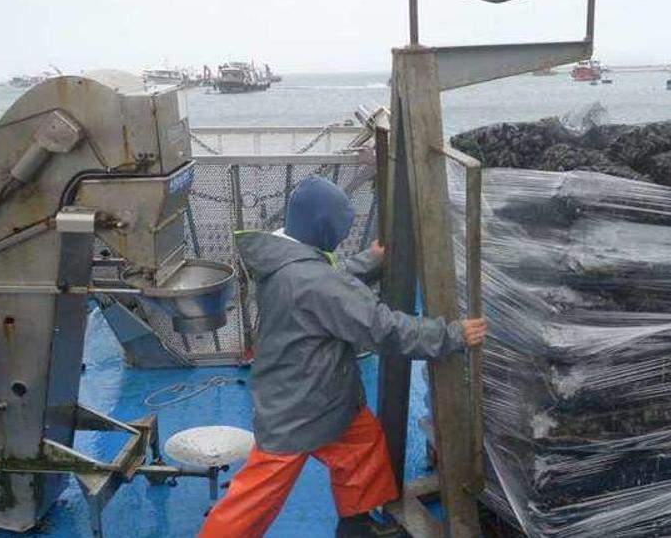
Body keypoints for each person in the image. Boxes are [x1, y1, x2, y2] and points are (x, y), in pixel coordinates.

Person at [199, 177, 487, 538]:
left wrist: (370, 260)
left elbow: (330, 279)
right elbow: (382, 329)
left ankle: (356, 527)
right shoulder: (316, 281)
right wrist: (452, 335)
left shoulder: (286, 258)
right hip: (298, 408)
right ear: (324, 228)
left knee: (363, 445)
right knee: (256, 497)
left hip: (314, 393)